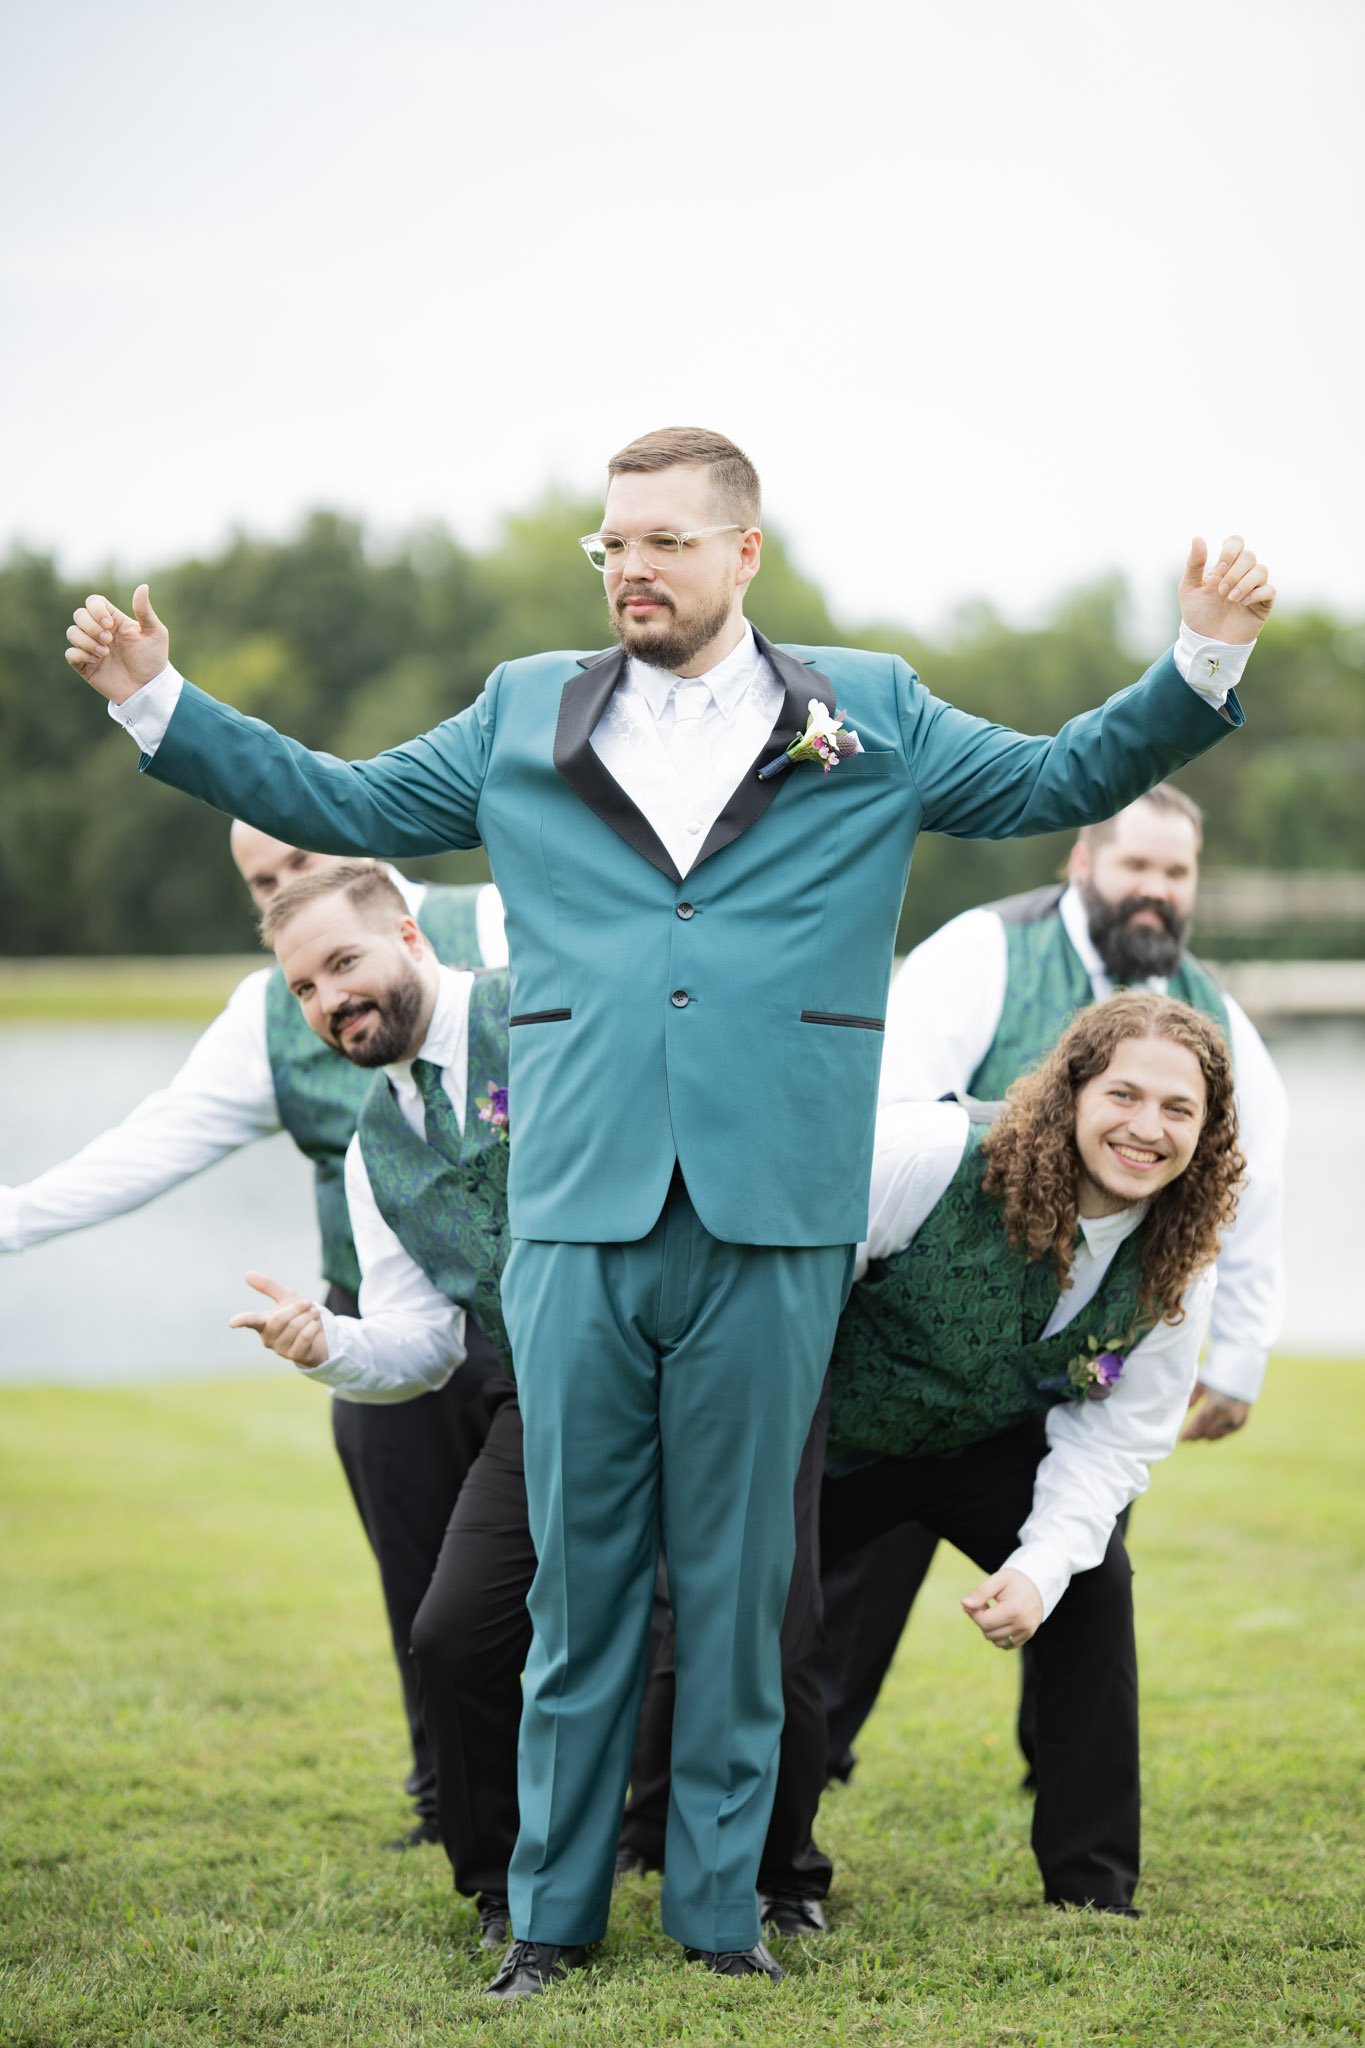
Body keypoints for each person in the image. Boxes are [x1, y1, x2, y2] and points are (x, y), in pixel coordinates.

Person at [63, 424, 1273, 1995]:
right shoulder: (521, 711)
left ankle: (719, 1916)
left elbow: (1060, 778)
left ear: (741, 553)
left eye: (663, 541)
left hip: (780, 1214)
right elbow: (337, 794)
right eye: (612, 544)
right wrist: (156, 699)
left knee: (744, 1591)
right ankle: (551, 1920)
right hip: (576, 1209)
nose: (630, 568)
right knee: (578, 1584)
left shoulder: (871, 711)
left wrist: (1199, 657)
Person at [232, 858, 830, 1971]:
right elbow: (424, 1342)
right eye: (304, 988)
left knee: (765, 1625)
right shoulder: (373, 1148)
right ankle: (506, 1888)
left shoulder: (557, 1005)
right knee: (455, 1632)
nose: (330, 1000)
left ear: (410, 936)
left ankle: (775, 1877)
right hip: (549, 1389)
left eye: (344, 963)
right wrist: (329, 1345)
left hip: (713, 1342)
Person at [0, 822, 507, 1846]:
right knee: (425, 1582)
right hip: (377, 1311)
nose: (284, 888)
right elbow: (150, 1146)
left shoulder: (497, 921)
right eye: (262, 881)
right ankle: (450, 1797)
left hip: (540, 1326)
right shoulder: (268, 1012)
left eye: (300, 860)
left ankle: (646, 1812)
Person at [819, 783, 1289, 1784]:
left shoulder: (1217, 1015)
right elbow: (884, 1115)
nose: (1155, 888)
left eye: (1175, 871)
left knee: (1080, 1550)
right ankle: (812, 1750)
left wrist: (1238, 1358)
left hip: (1058, 1369)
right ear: (1084, 861)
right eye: (1136, 864)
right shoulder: (982, 951)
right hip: (906, 1340)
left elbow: (1250, 1187)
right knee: (850, 1576)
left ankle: (1062, 1769)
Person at [806, 990, 1246, 1915]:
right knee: (743, 1614)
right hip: (825, 1440)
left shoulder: (1179, 1259)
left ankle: (1091, 1887)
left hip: (977, 1447)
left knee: (1091, 1580)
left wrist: (1038, 1571)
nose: (1147, 1129)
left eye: (1178, 1109)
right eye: (1123, 1095)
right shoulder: (927, 1155)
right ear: (1071, 1091)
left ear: (1206, 1132)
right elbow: (784, 1294)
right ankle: (719, 1855)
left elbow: (1114, 1442)